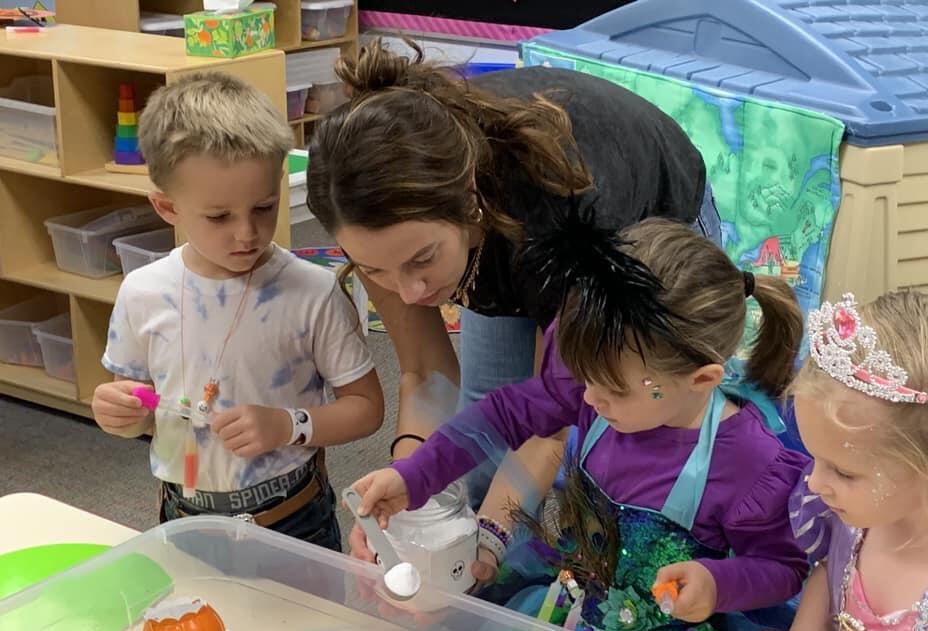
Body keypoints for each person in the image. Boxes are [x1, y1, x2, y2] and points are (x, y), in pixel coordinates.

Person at [352, 219, 822, 631]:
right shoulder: (601, 381)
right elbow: (501, 415)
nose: (589, 400)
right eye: (584, 380)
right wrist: (415, 476)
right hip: (575, 607)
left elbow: (785, 567)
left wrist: (717, 583)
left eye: (612, 390)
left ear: (702, 379)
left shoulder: (748, 460)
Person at [306, 39, 722, 523]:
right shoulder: (374, 222)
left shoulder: (562, 223)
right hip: (503, 238)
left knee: (621, 431)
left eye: (422, 259)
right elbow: (426, 373)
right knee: (487, 421)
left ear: (469, 199)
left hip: (625, 224)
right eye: (376, 270)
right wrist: (404, 495)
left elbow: (550, 417)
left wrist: (491, 538)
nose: (409, 293)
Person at [91, 72, 384, 551]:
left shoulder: (312, 292)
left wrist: (288, 425)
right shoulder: (143, 293)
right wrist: (119, 412)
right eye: (219, 216)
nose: (247, 233)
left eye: (264, 207)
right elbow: (143, 406)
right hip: (184, 513)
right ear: (167, 207)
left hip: (292, 516)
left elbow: (367, 408)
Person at [746, 290, 928, 631]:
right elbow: (831, 577)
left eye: (843, 472)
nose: (813, 482)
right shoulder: (853, 523)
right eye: (816, 459)